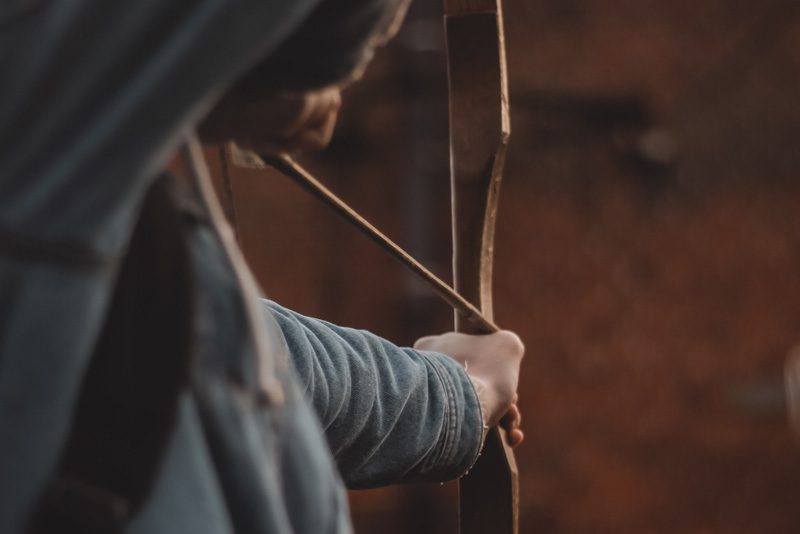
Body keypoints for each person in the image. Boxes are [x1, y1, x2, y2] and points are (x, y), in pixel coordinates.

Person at [0, 1, 524, 533]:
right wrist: (290, 68)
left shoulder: (91, 244)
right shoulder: (35, 168)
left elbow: (240, 364)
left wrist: (461, 391)